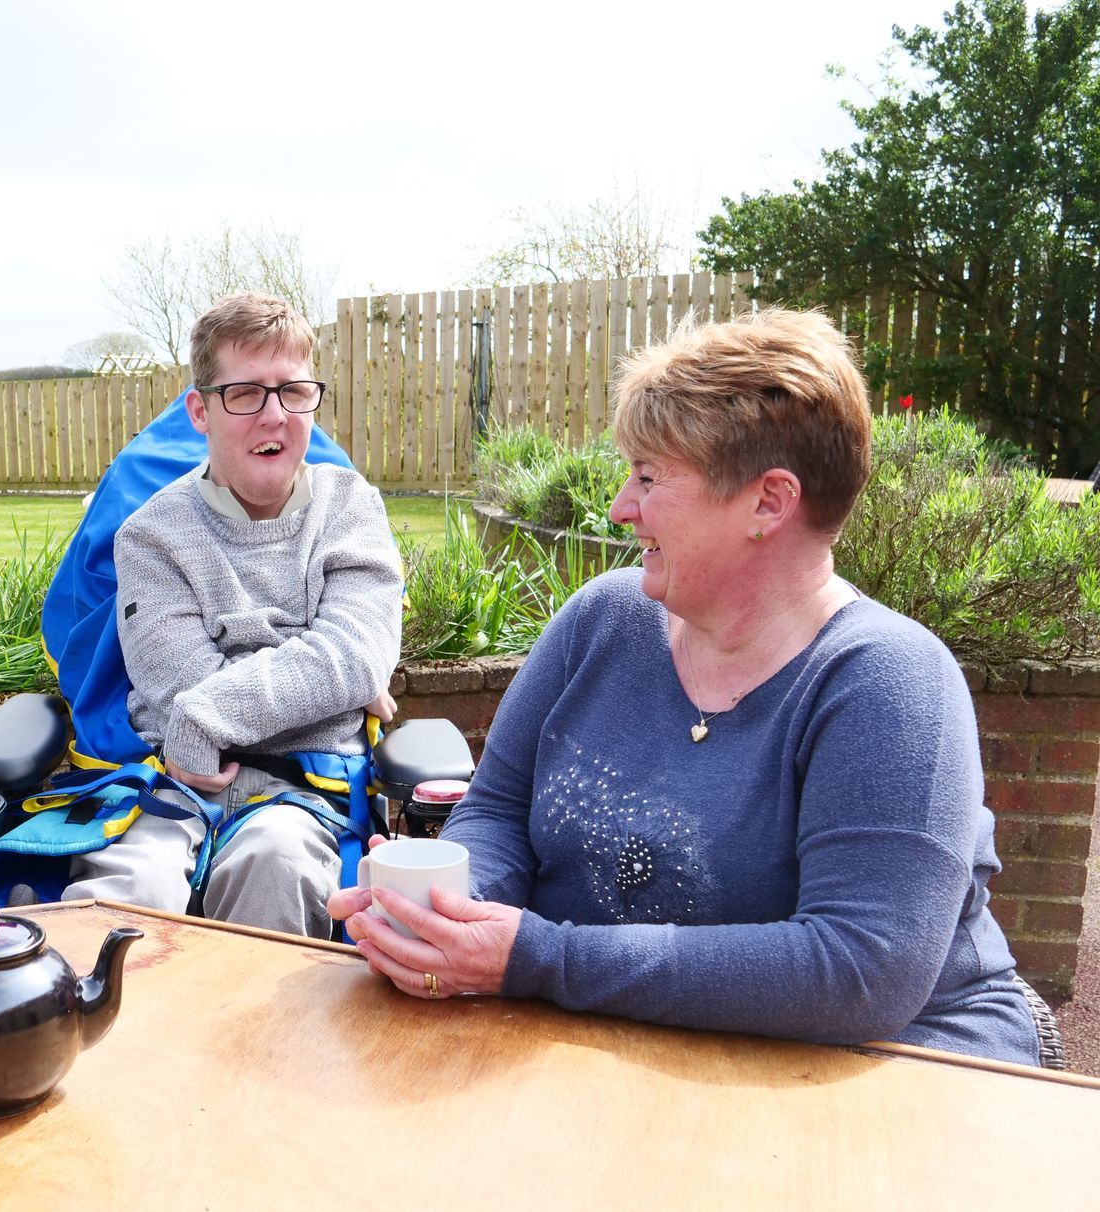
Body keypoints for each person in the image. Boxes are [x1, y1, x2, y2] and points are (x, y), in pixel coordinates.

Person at [330, 307, 1041, 1066]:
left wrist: (538, 959)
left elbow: (862, 971)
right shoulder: (601, 622)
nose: (619, 508)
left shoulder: (888, 683)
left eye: (648, 477)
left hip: (891, 1074)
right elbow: (500, 808)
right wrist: (447, 912)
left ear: (768, 502)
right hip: (616, 1041)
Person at [63, 292, 403, 939]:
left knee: (274, 864)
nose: (273, 415)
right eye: (245, 393)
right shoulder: (150, 535)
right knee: (127, 897)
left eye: (293, 392)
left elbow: (354, 657)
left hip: (307, 794)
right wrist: (324, 686)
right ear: (201, 410)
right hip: (174, 791)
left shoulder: (353, 509)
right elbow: (175, 684)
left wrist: (205, 716)